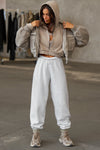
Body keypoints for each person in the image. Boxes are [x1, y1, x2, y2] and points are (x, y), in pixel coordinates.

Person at [16, 0, 89, 147]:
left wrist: (73, 27)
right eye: (43, 14)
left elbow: (83, 40)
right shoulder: (36, 28)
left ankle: (64, 134)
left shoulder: (63, 28)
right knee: (38, 98)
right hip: (42, 62)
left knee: (61, 97)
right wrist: (29, 26)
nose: (45, 17)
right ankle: (36, 134)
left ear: (54, 14)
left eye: (48, 14)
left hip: (56, 62)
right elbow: (19, 42)